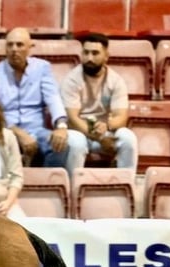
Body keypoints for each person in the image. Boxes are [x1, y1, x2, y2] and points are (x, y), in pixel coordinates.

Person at [0, 27, 68, 168]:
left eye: (19, 45)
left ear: (29, 48)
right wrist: (17, 132)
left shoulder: (42, 68)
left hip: (37, 130)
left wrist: (61, 126)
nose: (14, 49)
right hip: (5, 131)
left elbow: (53, 99)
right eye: (10, 45)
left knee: (60, 144)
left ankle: (47, 185)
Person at [61, 32, 138, 178]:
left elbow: (121, 117)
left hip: (104, 131)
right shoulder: (71, 80)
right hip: (80, 131)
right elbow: (72, 119)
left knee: (128, 137)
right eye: (86, 53)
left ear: (106, 56)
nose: (89, 58)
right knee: (76, 143)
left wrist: (107, 126)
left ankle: (127, 184)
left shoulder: (116, 81)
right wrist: (100, 138)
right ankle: (73, 187)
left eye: (95, 53)